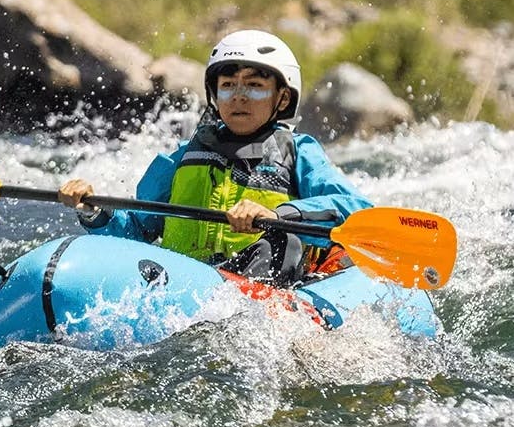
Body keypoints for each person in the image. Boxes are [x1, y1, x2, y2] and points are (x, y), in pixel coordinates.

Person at [57, 29, 372, 286]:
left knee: (277, 240)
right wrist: (94, 210)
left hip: (264, 286)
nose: (238, 95)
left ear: (283, 97)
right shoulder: (180, 157)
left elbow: (355, 210)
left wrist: (280, 214)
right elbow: (136, 230)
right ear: (214, 94)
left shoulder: (297, 151)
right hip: (182, 284)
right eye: (228, 86)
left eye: (254, 85)